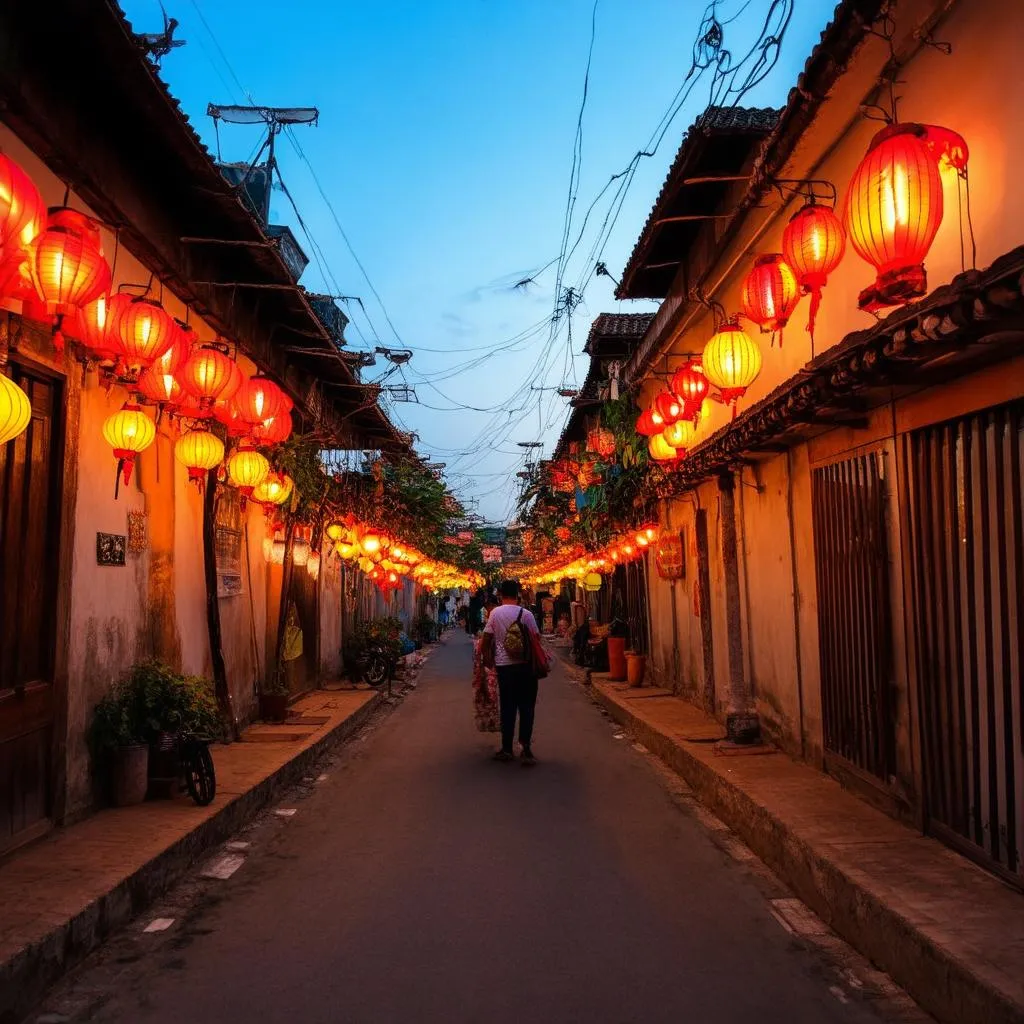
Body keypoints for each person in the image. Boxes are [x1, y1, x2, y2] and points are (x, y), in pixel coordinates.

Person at [481, 579, 540, 766]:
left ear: (500, 595)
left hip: (504, 666)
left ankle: (507, 749)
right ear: (518, 594)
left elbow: (486, 638)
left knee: (508, 706)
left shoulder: (495, 613)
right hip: (526, 666)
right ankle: (525, 749)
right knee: (527, 707)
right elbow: (536, 638)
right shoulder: (527, 614)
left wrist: (487, 660)